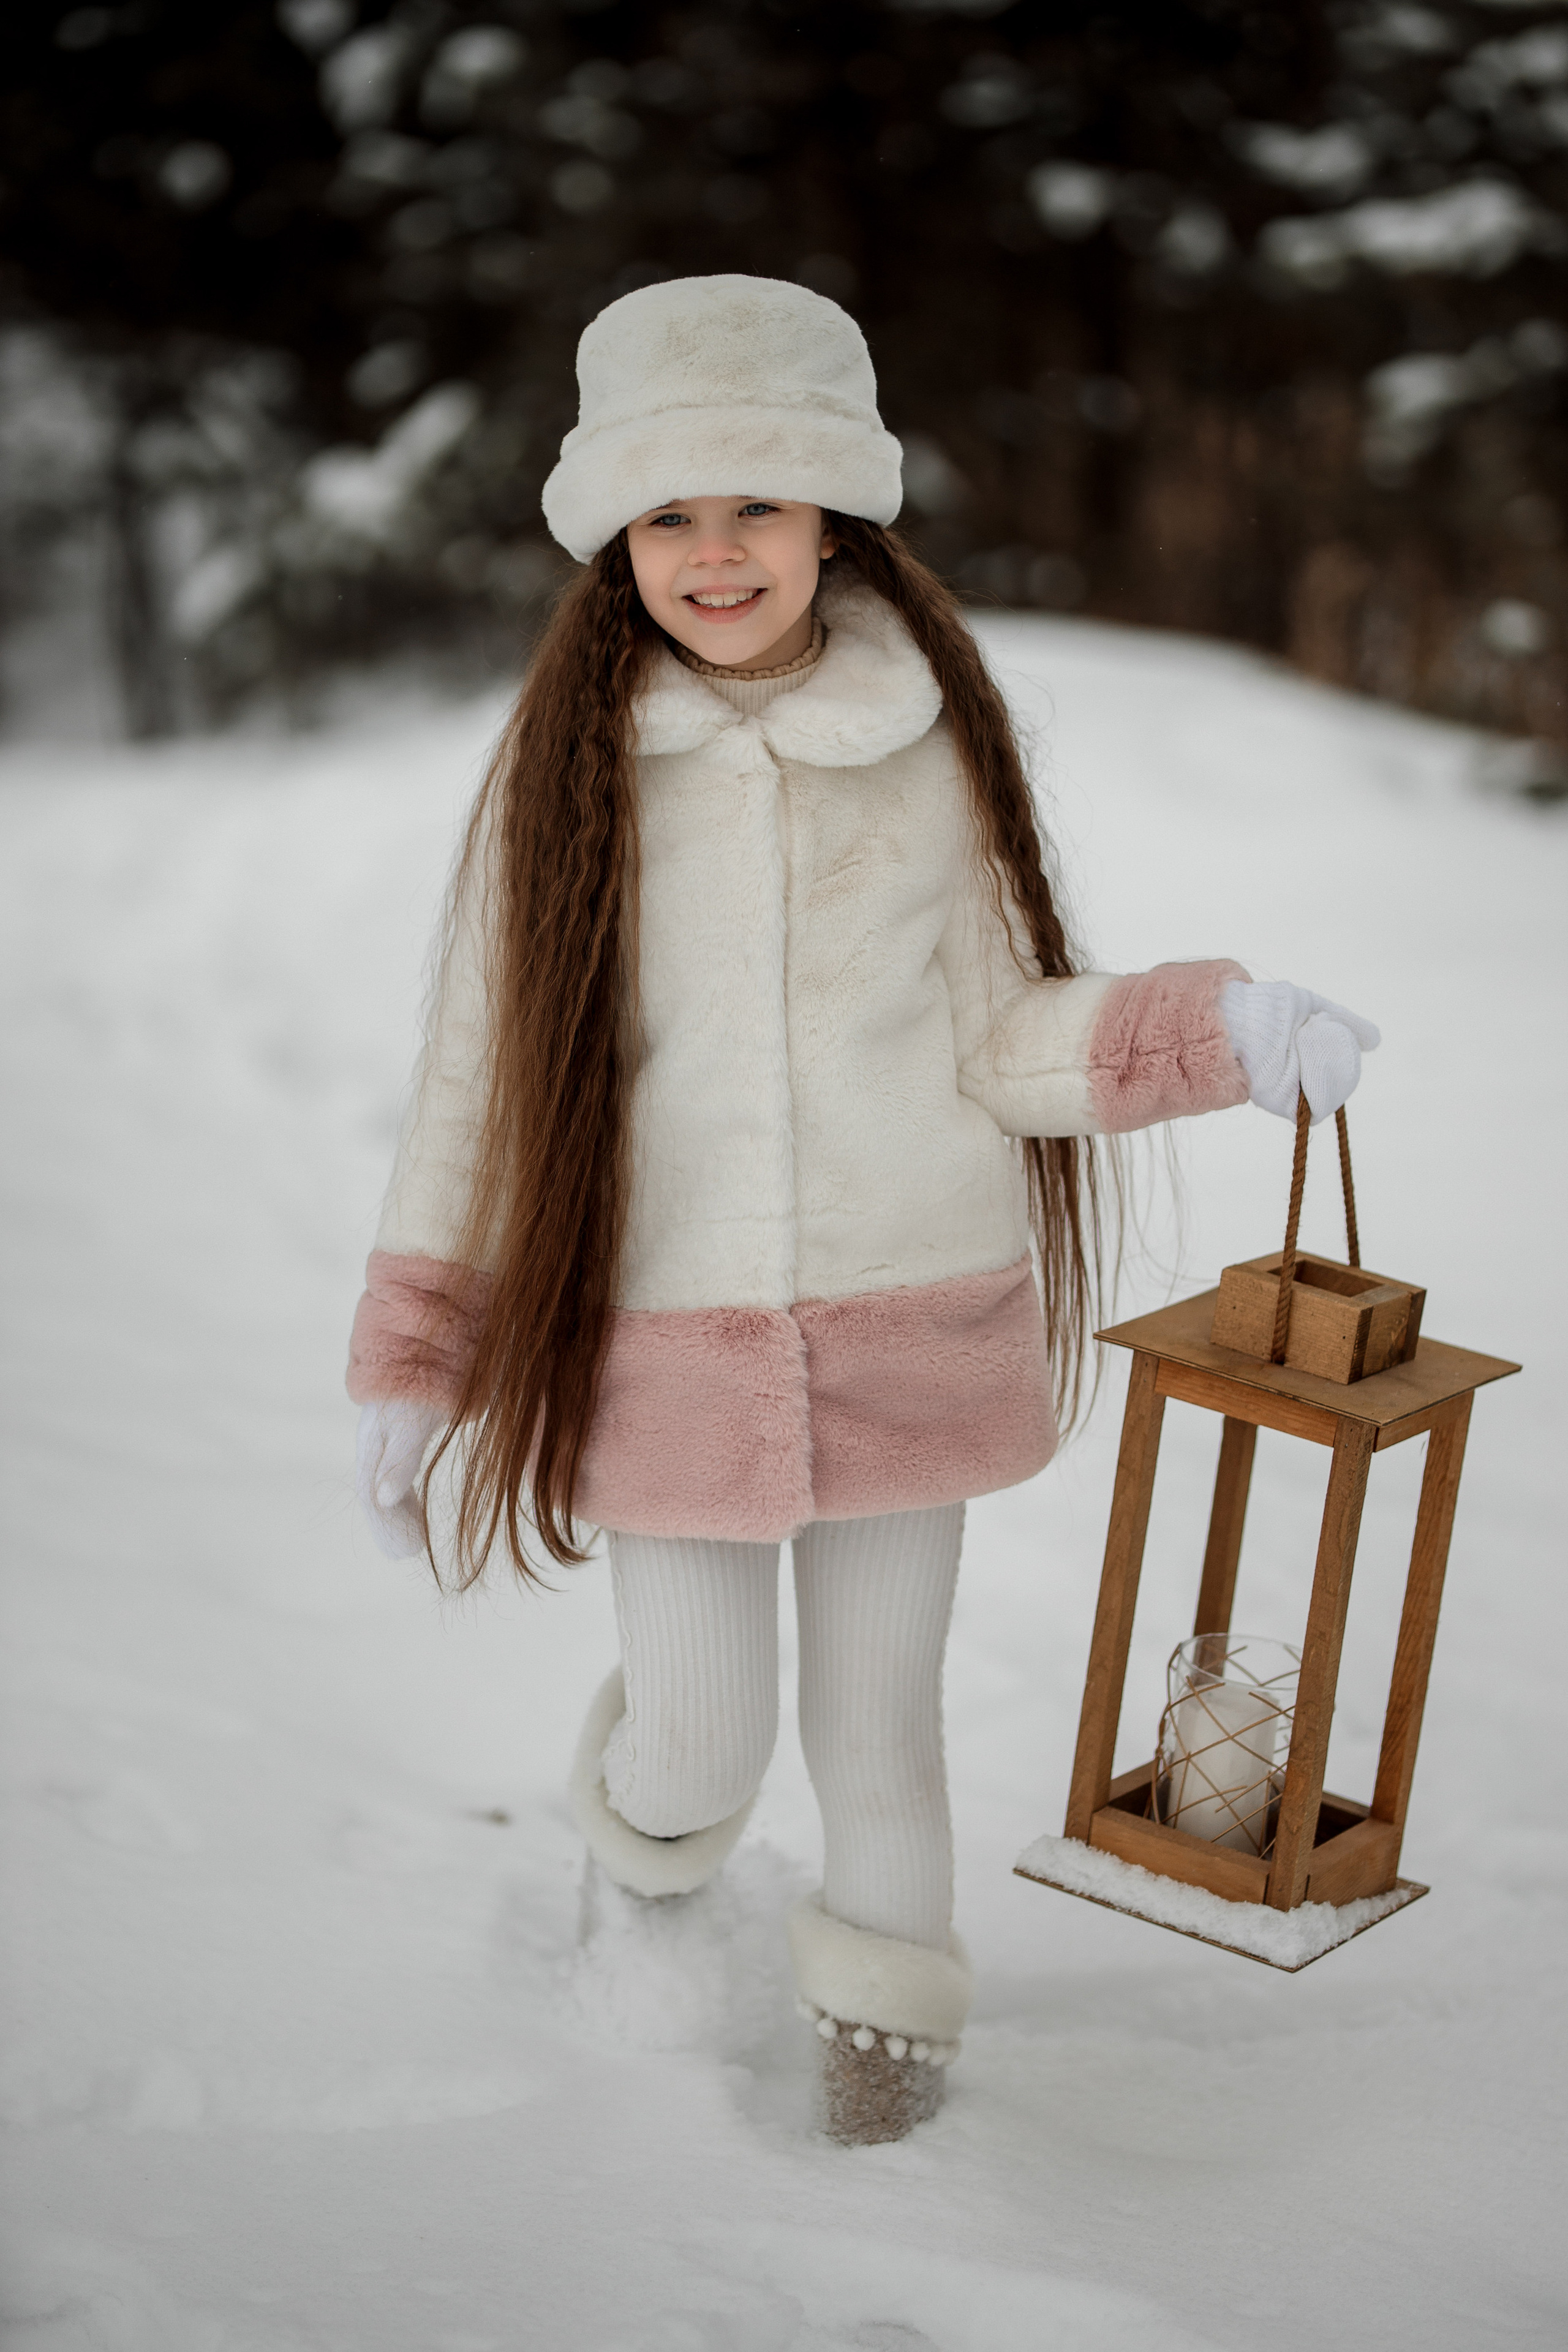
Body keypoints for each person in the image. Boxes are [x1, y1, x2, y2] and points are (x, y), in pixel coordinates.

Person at [346, 274, 1376, 2145]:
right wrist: (425, 1351)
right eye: (671, 511)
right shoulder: (569, 773)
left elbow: (1004, 1032)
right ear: (615, 536)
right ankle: (644, 1882)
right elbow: (484, 1084)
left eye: (758, 501)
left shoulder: (925, 741)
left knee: (880, 1730)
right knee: (703, 1733)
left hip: (916, 1320)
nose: (716, 553)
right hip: (662, 1344)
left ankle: (886, 2078)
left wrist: (1213, 1031)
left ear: (836, 514)